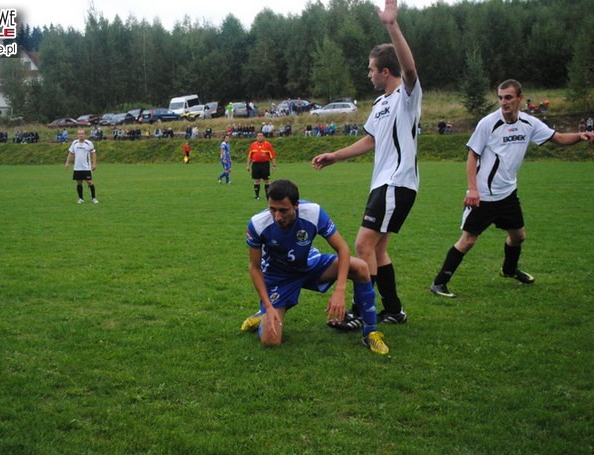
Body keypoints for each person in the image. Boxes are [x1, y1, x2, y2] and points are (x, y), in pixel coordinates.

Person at [430, 79, 593, 298]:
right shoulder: (488, 123)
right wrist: (472, 189)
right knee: (468, 240)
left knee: (518, 236)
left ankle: (509, 270)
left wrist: (580, 136)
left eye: (508, 97)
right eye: (500, 98)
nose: (503, 102)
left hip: (508, 194)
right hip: (484, 196)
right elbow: (472, 155)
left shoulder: (529, 123)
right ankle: (439, 283)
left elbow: (559, 138)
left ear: (519, 98)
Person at [311, 0, 420, 325]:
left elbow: (410, 70)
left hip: (396, 182)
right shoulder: (380, 103)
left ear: (385, 71)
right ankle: (394, 310)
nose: (368, 73)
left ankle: (360, 313)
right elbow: (370, 140)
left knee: (362, 244)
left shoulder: (407, 96)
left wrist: (391, 25)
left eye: (371, 68)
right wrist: (335, 156)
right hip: (384, 184)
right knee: (378, 249)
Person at [243, 179, 388, 354]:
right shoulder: (258, 224)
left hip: (310, 266)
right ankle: (264, 315)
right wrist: (268, 305)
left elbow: (342, 248)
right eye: (272, 209)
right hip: (280, 277)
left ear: (296, 205)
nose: (277, 216)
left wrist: (340, 290)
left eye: (283, 210)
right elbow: (255, 267)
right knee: (271, 341)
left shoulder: (313, 212)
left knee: (360, 267)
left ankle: (370, 332)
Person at [64, 129, 98, 204]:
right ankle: (81, 198)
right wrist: (67, 163)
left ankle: (93, 198)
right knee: (79, 182)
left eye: (82, 134)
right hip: (77, 167)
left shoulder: (89, 143)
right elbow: (71, 153)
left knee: (89, 182)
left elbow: (93, 153)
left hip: (86, 167)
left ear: (85, 135)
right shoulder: (74, 143)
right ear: (77, 135)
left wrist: (94, 164)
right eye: (79, 134)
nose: (81, 135)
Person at [246, 131, 277, 200]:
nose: (260, 137)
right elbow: (250, 156)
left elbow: (272, 156)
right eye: (258, 136)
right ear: (256, 137)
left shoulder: (268, 145)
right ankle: (257, 196)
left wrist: (274, 165)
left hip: (265, 164)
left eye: (261, 136)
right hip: (255, 164)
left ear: (263, 137)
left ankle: (267, 196)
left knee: (266, 180)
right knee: (256, 180)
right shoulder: (253, 145)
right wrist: (248, 165)